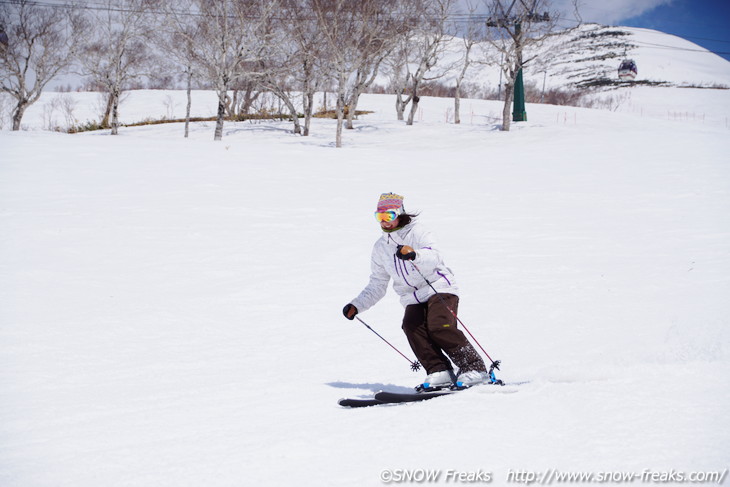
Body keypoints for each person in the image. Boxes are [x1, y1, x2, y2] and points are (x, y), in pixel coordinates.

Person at [342, 193, 489, 389]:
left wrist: (414, 254)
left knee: (439, 326)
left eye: (389, 216)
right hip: (412, 297)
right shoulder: (380, 248)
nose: (385, 222)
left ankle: (474, 368)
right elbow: (377, 283)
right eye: (380, 217)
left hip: (439, 287)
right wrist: (357, 305)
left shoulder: (418, 232)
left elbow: (435, 256)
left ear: (400, 214)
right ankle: (439, 371)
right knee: (411, 326)